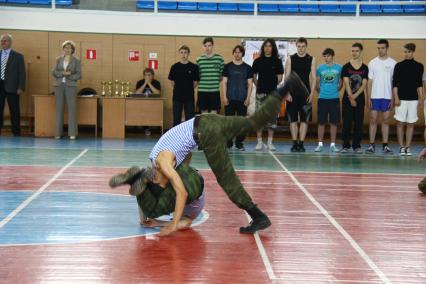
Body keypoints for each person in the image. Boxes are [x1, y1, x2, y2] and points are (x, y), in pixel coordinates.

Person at [123, 72, 307, 237]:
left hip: (206, 133)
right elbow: (183, 157)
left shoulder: (162, 163)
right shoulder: (159, 158)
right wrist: (144, 217)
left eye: (161, 183)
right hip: (207, 120)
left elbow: (181, 191)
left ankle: (258, 216)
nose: (165, 184)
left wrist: (172, 224)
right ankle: (286, 86)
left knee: (227, 179)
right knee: (254, 122)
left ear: (155, 175)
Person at [110, 163, 205, 231]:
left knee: (156, 187)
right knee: (152, 211)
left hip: (185, 169)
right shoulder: (192, 211)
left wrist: (143, 219)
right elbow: (186, 223)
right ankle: (141, 178)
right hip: (191, 186)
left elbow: (141, 189)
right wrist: (160, 223)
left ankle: (138, 176)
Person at [284, 37, 316, 152]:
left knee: (304, 120)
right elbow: (286, 77)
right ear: (296, 46)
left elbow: (313, 77)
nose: (301, 49)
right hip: (292, 93)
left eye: (303, 46)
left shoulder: (311, 59)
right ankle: (294, 143)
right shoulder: (290, 59)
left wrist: (312, 93)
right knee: (292, 120)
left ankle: (301, 143)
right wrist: (287, 92)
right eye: (299, 46)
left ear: (306, 46)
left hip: (306, 94)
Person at [252, 38, 284, 151]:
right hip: (260, 93)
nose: (267, 48)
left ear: (273, 48)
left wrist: (272, 85)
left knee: (272, 120)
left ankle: (270, 142)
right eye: (265, 46)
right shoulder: (257, 61)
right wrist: (259, 85)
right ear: (263, 48)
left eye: (270, 46)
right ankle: (259, 142)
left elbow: (280, 77)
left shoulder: (277, 61)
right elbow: (254, 76)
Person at [393, 43, 424, 156]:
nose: (406, 54)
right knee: (400, 123)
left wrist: (421, 98)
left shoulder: (419, 66)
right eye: (405, 52)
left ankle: (408, 147)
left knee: (411, 123)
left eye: (409, 52)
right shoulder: (398, 66)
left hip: (413, 99)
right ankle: (401, 147)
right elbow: (395, 84)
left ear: (413, 52)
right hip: (401, 99)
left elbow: (419, 84)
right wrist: (396, 97)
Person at [366, 39, 397, 154]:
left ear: (387, 48)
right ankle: (371, 145)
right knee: (373, 120)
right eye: (378, 48)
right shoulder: (372, 63)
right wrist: (368, 98)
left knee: (385, 121)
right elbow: (369, 82)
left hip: (387, 97)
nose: (380, 50)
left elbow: (394, 83)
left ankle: (385, 145)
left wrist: (393, 98)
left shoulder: (393, 63)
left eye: (382, 48)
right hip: (374, 96)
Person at [222, 45, 253, 151]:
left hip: (242, 99)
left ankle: (239, 143)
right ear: (233, 53)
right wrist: (224, 97)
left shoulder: (248, 68)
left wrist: (248, 98)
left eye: (239, 52)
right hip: (229, 98)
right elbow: (224, 82)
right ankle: (229, 142)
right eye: (235, 52)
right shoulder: (227, 67)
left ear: (242, 54)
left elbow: (250, 84)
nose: (237, 54)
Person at [340, 43, 369, 153]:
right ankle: (345, 145)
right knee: (346, 123)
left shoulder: (365, 68)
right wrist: (351, 98)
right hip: (347, 100)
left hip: (360, 100)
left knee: (358, 124)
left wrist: (355, 97)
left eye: (356, 51)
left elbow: (364, 85)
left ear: (361, 51)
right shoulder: (346, 66)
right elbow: (346, 83)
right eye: (352, 51)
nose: (354, 53)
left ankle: (356, 145)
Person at [52, 40, 82, 140]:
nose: (67, 49)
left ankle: (72, 133)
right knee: (59, 109)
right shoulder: (58, 59)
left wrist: (70, 75)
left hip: (71, 86)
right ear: (63, 49)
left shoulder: (76, 60)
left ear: (72, 49)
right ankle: (58, 133)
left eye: (69, 48)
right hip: (59, 86)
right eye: (65, 47)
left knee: (72, 109)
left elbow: (79, 74)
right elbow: (54, 72)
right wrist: (62, 74)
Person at [314, 48, 342, 153]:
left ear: (332, 56)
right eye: (325, 56)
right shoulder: (320, 68)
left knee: (334, 123)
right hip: (322, 99)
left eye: (328, 56)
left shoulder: (339, 67)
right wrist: (322, 92)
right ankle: (320, 144)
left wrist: (334, 91)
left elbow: (341, 83)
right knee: (321, 122)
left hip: (334, 99)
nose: (326, 58)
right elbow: (317, 84)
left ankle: (333, 145)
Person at [0, 34, 26, 136]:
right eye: (2, 41)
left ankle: (16, 131)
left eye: (5, 41)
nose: (3, 42)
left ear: (10, 42)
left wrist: (21, 87)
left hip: (13, 87)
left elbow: (22, 73)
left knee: (14, 109)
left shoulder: (18, 56)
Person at [168, 45, 199, 126]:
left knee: (190, 120)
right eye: (181, 52)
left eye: (185, 52)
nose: (183, 55)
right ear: (179, 54)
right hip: (177, 97)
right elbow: (172, 82)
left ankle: (189, 138)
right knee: (176, 119)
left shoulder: (194, 67)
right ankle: (176, 138)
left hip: (189, 97)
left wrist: (188, 89)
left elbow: (195, 82)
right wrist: (179, 89)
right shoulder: (174, 67)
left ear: (188, 54)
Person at [196, 37, 224, 114]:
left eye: (209, 45)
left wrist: (213, 83)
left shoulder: (219, 59)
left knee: (214, 115)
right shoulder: (199, 59)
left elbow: (221, 76)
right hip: (202, 91)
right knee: (203, 115)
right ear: (203, 47)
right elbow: (198, 76)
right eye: (205, 46)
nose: (207, 48)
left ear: (212, 46)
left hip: (214, 91)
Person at [135, 67, 161, 136]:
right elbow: (137, 93)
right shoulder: (140, 82)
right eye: (146, 75)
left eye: (149, 75)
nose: (147, 76)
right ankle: (145, 128)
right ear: (143, 76)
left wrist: (149, 84)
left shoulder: (156, 82)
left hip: (154, 104)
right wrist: (145, 83)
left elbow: (158, 93)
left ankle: (156, 126)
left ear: (153, 76)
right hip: (141, 104)